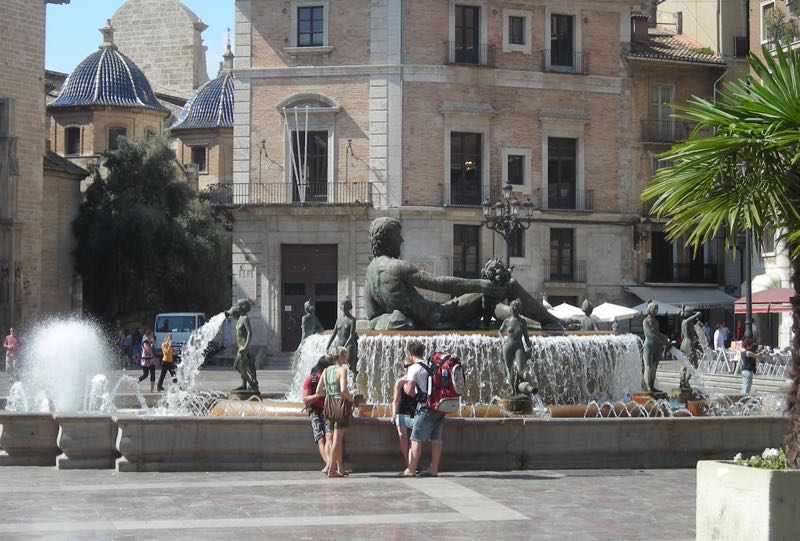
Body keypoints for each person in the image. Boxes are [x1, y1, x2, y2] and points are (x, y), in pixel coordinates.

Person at [364, 217, 559, 330]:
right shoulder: (396, 267)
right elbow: (440, 283)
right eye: (398, 236)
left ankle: (530, 323)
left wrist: (391, 321)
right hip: (441, 317)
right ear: (389, 239)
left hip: (428, 320)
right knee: (507, 285)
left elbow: (372, 317)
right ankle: (552, 323)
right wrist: (481, 284)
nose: (402, 240)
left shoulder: (370, 272)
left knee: (488, 300)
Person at [401, 340, 444, 478]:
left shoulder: (414, 368)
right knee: (436, 438)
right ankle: (434, 469)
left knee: (416, 438)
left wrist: (405, 386)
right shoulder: (431, 364)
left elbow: (410, 391)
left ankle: (411, 469)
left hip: (426, 407)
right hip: (439, 406)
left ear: (411, 353)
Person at [316, 345, 354, 478]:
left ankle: (339, 469)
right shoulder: (342, 370)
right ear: (342, 356)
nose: (347, 358)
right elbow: (343, 390)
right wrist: (352, 400)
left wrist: (329, 392)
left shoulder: (326, 371)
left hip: (329, 404)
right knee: (337, 440)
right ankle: (332, 470)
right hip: (340, 404)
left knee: (332, 438)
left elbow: (318, 391)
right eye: (346, 356)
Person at [302, 356, 332, 474]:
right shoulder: (311, 379)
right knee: (320, 437)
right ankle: (329, 463)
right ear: (324, 369)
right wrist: (319, 395)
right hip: (315, 410)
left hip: (328, 410)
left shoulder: (331, 379)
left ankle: (330, 465)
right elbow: (305, 399)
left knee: (330, 437)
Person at [225, 299, 259, 393]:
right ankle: (243, 385)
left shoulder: (245, 318)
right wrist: (229, 312)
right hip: (239, 347)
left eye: (238, 305)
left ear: (243, 307)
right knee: (243, 365)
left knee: (237, 366)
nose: (237, 307)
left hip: (243, 347)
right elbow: (231, 315)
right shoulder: (239, 318)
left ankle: (252, 384)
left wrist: (245, 346)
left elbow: (249, 333)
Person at [390, 356, 417, 468]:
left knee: (414, 439)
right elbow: (396, 401)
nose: (407, 368)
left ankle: (413, 463)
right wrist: (393, 415)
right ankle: (408, 462)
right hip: (402, 412)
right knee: (402, 435)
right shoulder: (400, 382)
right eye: (405, 366)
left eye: (409, 365)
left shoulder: (418, 381)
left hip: (415, 412)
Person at [325, 298, 359, 376]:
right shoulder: (339, 319)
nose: (344, 306)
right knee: (337, 365)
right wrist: (328, 345)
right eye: (342, 304)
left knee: (350, 367)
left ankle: (353, 384)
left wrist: (344, 347)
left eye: (346, 305)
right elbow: (334, 334)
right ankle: (339, 382)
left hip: (349, 346)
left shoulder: (352, 320)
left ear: (350, 307)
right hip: (338, 345)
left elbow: (351, 335)